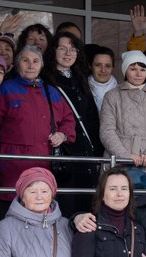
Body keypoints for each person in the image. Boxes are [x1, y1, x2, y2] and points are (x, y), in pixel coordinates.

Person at [0, 46, 76, 201]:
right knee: (12, 210)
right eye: (26, 60)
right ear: (18, 65)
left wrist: (62, 134)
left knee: (41, 208)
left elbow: (68, 119)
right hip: (12, 166)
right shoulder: (6, 88)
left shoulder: (52, 91)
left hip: (45, 164)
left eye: (35, 61)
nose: (31, 65)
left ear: (41, 65)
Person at [45, 31, 104, 213]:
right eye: (62, 48)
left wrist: (97, 152)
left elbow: (92, 118)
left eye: (73, 49)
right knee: (67, 206)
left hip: (86, 153)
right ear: (53, 51)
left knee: (87, 206)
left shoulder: (81, 79)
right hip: (65, 150)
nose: (68, 53)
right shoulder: (47, 79)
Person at [99, 50, 146, 189]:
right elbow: (106, 131)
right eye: (133, 69)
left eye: (142, 69)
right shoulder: (112, 96)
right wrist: (125, 155)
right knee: (116, 200)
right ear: (125, 70)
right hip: (117, 158)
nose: (138, 73)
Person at [88, 46, 118, 111]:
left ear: (113, 67)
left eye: (108, 66)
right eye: (98, 65)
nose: (103, 70)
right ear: (90, 66)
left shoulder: (121, 92)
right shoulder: (81, 91)